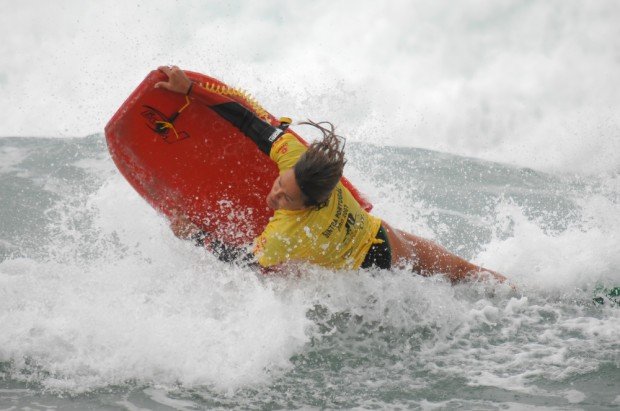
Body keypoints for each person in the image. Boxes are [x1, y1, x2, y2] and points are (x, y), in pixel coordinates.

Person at [156, 66, 508, 284]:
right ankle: (522, 295)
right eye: (281, 184)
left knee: (464, 277)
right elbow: (248, 122)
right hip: (386, 237)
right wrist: (190, 90)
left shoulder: (284, 233)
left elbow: (245, 261)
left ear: (309, 205)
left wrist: (193, 236)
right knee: (467, 275)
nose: (275, 195)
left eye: (286, 198)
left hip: (372, 274)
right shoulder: (296, 158)